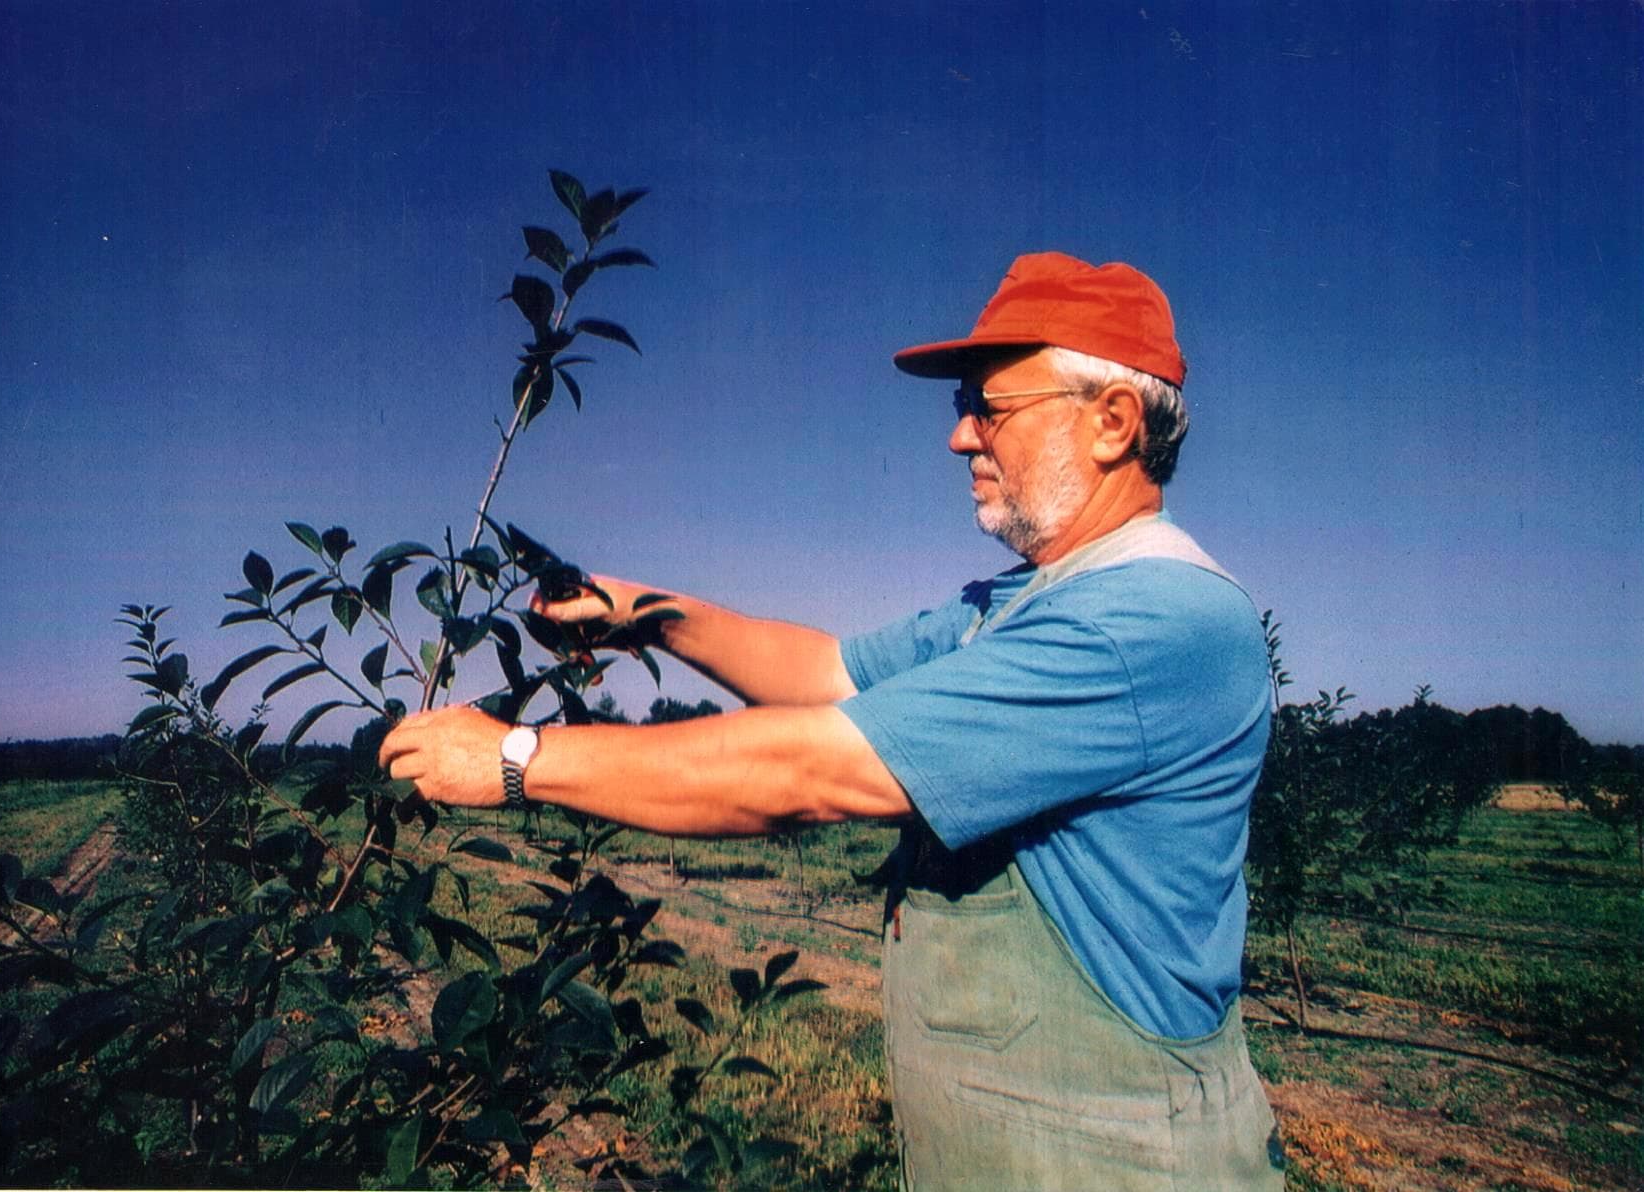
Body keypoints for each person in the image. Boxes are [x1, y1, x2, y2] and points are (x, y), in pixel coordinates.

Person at [380, 252, 1286, 1189]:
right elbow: (827, 673)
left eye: (991, 407)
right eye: (961, 409)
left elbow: (811, 771)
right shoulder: (1014, 606)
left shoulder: (1151, 622)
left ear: (1112, 422)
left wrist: (519, 757)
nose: (961, 438)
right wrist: (638, 609)